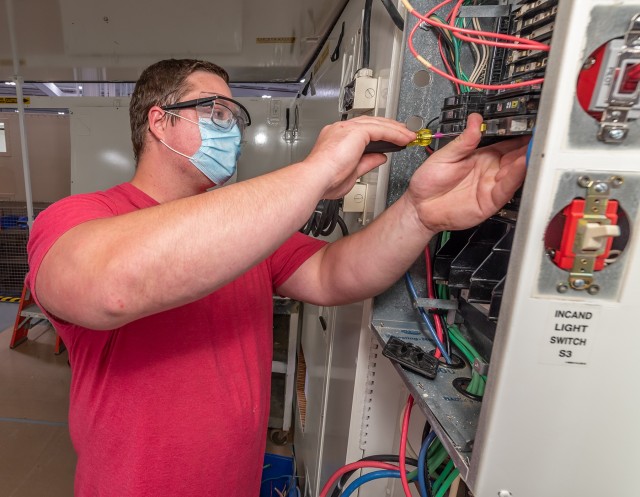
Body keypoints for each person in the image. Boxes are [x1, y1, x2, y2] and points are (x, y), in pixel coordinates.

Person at [26, 58, 528, 496]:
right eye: (216, 111)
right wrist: (317, 171)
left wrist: (420, 214)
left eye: (235, 116)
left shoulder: (246, 229)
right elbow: (111, 287)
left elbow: (336, 275)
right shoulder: (84, 217)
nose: (233, 129)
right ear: (160, 122)